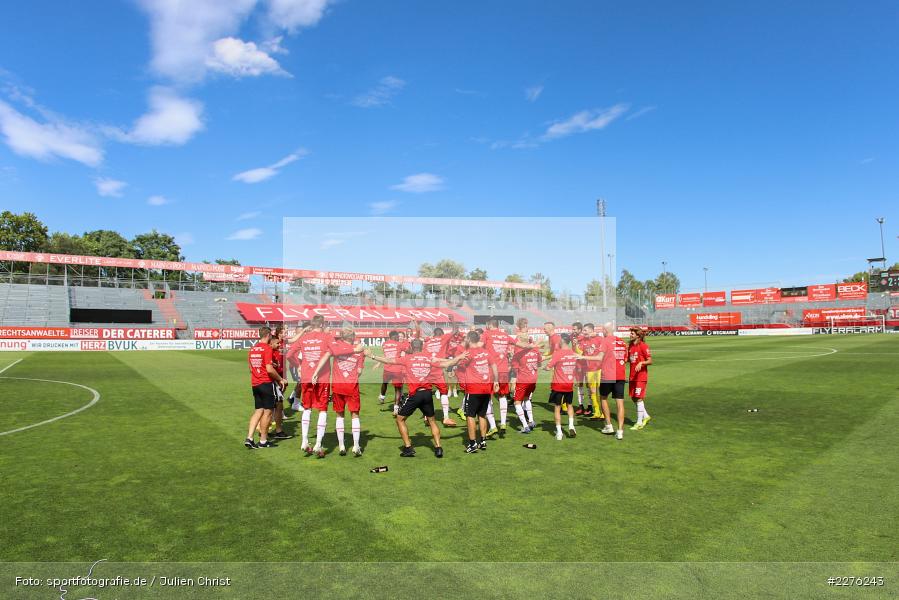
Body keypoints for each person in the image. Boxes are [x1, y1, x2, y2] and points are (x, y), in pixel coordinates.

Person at [367, 339, 467, 458]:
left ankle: (408, 448)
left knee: (400, 419)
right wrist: (460, 357)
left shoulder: (407, 358)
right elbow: (447, 363)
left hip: (415, 395)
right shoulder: (429, 358)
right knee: (432, 421)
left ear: (411, 347)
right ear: (422, 347)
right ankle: (438, 447)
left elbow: (389, 360)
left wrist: (372, 356)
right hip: (427, 394)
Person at [311, 327, 367, 456]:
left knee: (340, 415)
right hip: (352, 386)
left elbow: (326, 356)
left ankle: (342, 446)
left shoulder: (336, 347)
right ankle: (356, 446)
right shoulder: (359, 351)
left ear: (342, 337)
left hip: (337, 386)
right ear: (352, 337)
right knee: (355, 415)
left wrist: (316, 372)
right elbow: (359, 371)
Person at [544, 333, 603, 440]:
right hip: (569, 385)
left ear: (562, 341)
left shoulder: (558, 353)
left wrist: (545, 367)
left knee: (557, 408)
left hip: (558, 385)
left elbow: (548, 367)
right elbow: (578, 365)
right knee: (570, 405)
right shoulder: (573, 353)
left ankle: (559, 433)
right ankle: (571, 426)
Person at [295, 315, 336, 455]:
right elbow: (337, 351)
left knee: (307, 408)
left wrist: (298, 366)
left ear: (312, 324)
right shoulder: (327, 337)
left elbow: (289, 354)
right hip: (322, 377)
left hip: (306, 376)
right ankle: (318, 444)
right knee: (322, 409)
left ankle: (304, 441)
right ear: (323, 324)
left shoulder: (303, 338)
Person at [454, 331, 499, 453]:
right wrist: (496, 381)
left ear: (468, 339)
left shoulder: (468, 353)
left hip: (474, 389)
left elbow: (459, 364)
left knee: (470, 415)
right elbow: (494, 365)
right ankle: (483, 441)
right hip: (486, 387)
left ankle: (472, 443)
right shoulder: (486, 351)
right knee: (482, 414)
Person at [246, 326, 288, 449]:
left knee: (258, 411)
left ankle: (249, 438)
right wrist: (280, 379)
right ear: (269, 335)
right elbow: (269, 370)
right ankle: (263, 441)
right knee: (268, 412)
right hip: (266, 383)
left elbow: (250, 368)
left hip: (255, 383)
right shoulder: (267, 348)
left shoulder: (253, 349)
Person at [422, 326, 460, 427]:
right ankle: (446, 417)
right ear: (442, 334)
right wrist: (453, 322)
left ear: (434, 334)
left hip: (427, 369)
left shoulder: (427, 342)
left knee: (427, 393)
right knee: (444, 392)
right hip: (437, 369)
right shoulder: (443, 338)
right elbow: (455, 329)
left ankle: (426, 416)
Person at [597, 322, 628, 440]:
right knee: (620, 403)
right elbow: (625, 359)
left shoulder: (605, 341)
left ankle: (609, 425)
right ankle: (620, 431)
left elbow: (600, 357)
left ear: (605, 330)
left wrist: (584, 358)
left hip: (608, 375)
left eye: (602, 330)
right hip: (620, 375)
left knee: (603, 398)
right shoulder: (621, 342)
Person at [510, 337, 542, 433]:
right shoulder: (536, 351)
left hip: (523, 380)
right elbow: (539, 364)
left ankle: (525, 426)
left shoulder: (518, 353)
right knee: (527, 398)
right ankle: (531, 421)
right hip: (533, 379)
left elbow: (514, 369)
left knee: (517, 402)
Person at [627, 326, 653, 430]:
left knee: (638, 398)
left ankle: (639, 422)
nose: (630, 335)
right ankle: (646, 416)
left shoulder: (643, 346)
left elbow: (650, 361)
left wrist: (642, 362)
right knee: (633, 397)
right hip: (632, 376)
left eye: (632, 334)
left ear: (638, 335)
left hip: (641, 377)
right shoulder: (630, 346)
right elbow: (629, 360)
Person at [578, 323, 605, 420]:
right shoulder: (582, 341)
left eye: (585, 330)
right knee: (593, 391)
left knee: (602, 392)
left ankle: (603, 412)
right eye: (583, 330)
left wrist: (596, 335)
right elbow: (578, 352)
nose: (583, 332)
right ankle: (597, 412)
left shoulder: (599, 339)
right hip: (589, 370)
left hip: (601, 369)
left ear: (591, 330)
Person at [376, 331, 406, 408]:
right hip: (397, 369)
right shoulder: (399, 344)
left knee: (385, 383)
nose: (399, 338)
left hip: (387, 369)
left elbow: (386, 355)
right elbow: (409, 351)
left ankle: (382, 396)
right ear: (395, 336)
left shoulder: (384, 344)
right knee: (397, 388)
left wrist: (379, 363)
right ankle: (396, 407)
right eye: (398, 336)